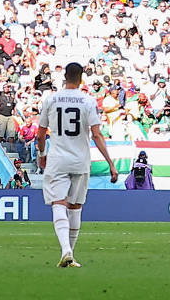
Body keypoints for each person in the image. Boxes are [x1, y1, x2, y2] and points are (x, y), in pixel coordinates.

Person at [38, 62, 115, 268]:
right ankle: (70, 253)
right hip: (80, 159)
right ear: (81, 78)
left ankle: (66, 250)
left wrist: (41, 153)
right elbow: (97, 134)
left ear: (64, 76)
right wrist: (110, 163)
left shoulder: (51, 99)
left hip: (57, 159)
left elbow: (41, 132)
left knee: (58, 202)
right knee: (75, 207)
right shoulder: (88, 101)